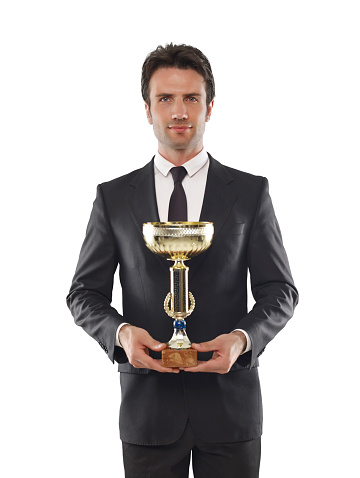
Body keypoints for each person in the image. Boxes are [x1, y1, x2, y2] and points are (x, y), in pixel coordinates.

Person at [67, 43, 298, 478]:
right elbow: (83, 294)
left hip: (231, 409)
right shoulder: (114, 198)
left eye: (191, 98)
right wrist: (120, 334)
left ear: (210, 107)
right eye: (165, 98)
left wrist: (242, 340)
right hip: (148, 410)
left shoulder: (250, 193)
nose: (178, 111)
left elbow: (280, 291)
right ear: (147, 108)